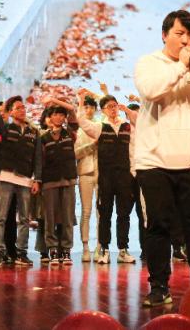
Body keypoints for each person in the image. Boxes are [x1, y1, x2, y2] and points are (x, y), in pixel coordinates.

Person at [133, 9, 190, 308]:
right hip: (153, 161)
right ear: (164, 35)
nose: (186, 41)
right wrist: (181, 67)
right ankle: (159, 286)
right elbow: (151, 91)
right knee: (158, 226)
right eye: (179, 34)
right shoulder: (149, 63)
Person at [76, 89, 139, 265]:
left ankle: (123, 250)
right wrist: (81, 100)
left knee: (124, 214)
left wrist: (132, 173)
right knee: (105, 214)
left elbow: (139, 133)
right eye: (109, 106)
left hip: (124, 176)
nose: (113, 109)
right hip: (106, 177)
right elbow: (82, 121)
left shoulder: (128, 126)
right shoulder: (99, 127)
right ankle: (104, 249)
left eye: (115, 106)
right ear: (103, 110)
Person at [0, 80, 42, 267]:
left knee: (25, 219)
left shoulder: (34, 132)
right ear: (10, 112)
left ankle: (21, 253)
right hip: (6, 177)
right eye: (18, 108)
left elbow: (37, 158)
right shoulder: (6, 128)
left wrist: (37, 179)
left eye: (23, 107)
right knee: (1, 216)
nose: (22, 110)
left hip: (26, 179)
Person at [39, 97, 80, 266]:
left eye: (62, 115)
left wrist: (54, 99)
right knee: (50, 217)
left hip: (68, 181)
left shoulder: (69, 133)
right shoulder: (43, 137)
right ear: (50, 117)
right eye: (56, 114)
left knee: (68, 217)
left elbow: (71, 109)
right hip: (49, 182)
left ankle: (66, 249)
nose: (59, 117)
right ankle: (53, 249)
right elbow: (40, 161)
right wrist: (38, 181)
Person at [75, 92, 99, 263]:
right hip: (85, 172)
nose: (89, 110)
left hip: (101, 173)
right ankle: (85, 247)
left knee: (101, 212)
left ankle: (100, 246)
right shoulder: (78, 130)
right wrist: (91, 146)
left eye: (91, 107)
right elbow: (75, 154)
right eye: (86, 107)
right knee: (86, 211)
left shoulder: (100, 126)